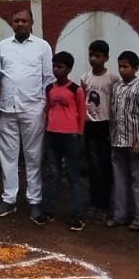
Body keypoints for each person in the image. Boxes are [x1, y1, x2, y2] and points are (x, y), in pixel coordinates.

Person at [0, 8, 54, 219]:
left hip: (33, 109)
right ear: (12, 22)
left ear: (32, 23)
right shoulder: (2, 46)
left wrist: (43, 106)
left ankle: (35, 200)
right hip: (7, 108)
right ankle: (9, 199)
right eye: (16, 20)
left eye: (24, 21)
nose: (20, 24)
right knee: (8, 157)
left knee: (33, 156)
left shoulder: (42, 47)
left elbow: (48, 78)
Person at [38, 50, 86, 230]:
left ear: (69, 69)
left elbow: (82, 113)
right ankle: (48, 211)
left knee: (73, 175)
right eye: (54, 66)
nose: (56, 70)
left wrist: (79, 133)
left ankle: (78, 215)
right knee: (53, 174)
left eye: (60, 67)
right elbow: (48, 109)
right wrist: (47, 129)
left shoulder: (76, 89)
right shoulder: (50, 88)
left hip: (70, 136)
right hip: (52, 135)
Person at [107, 50, 139, 231]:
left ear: (135, 68)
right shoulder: (116, 87)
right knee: (119, 178)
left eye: (126, 67)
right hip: (118, 139)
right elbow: (113, 113)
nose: (122, 70)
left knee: (138, 178)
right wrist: (111, 134)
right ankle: (120, 214)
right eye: (120, 66)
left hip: (135, 141)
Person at [80, 41, 116, 219]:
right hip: (90, 125)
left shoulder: (112, 78)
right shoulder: (85, 78)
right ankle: (94, 202)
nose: (93, 59)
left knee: (105, 165)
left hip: (106, 124)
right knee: (93, 165)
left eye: (98, 56)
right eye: (91, 55)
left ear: (106, 57)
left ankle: (105, 204)